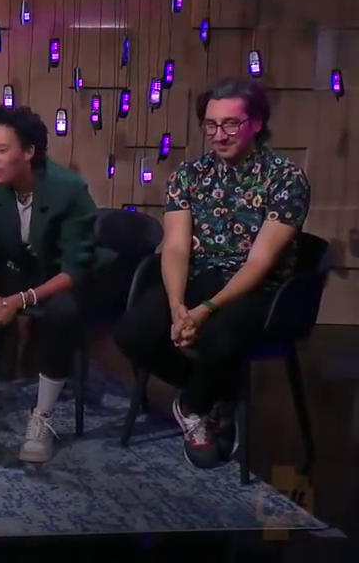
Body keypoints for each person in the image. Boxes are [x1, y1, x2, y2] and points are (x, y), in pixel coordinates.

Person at [114, 78, 310, 469]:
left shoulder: (287, 180)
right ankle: (216, 389)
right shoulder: (188, 176)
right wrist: (177, 306)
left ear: (256, 123)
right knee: (132, 332)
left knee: (221, 333)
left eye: (231, 124)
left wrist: (204, 310)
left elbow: (259, 264)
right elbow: (175, 247)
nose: (219, 135)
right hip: (199, 275)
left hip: (259, 288)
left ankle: (193, 405)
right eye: (211, 125)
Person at [0, 105, 102, 463]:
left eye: (2, 150)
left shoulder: (68, 189)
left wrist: (18, 300)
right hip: (13, 272)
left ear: (29, 152)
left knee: (63, 314)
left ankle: (42, 416)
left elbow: (75, 268)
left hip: (57, 279)